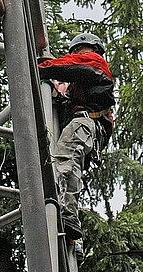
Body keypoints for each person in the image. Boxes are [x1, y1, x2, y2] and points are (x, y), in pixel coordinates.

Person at [38, 33, 115, 240]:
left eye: (78, 50)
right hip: (87, 128)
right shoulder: (81, 87)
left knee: (65, 159)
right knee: (68, 167)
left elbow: (72, 66)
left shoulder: (94, 61)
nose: (77, 54)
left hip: (85, 124)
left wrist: (44, 67)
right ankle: (74, 239)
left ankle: (68, 215)